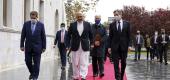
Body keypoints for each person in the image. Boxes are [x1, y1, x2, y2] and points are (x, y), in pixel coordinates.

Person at [20, 11, 46, 80]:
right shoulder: (26, 24)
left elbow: (43, 36)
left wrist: (44, 47)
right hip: (28, 47)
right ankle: (32, 73)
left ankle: (35, 77)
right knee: (27, 61)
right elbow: (23, 35)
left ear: (37, 16)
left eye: (34, 16)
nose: (32, 17)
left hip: (38, 47)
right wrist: (21, 45)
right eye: (31, 15)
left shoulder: (41, 25)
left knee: (37, 63)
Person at [68, 12, 93, 80]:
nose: (80, 18)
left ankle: (83, 76)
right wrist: (67, 45)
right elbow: (68, 35)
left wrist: (92, 44)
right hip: (75, 46)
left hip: (85, 46)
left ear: (83, 17)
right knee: (75, 62)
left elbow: (91, 35)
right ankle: (76, 76)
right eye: (78, 16)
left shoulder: (87, 24)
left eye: (81, 16)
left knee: (84, 62)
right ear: (76, 17)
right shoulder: (72, 25)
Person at [108, 10, 131, 80]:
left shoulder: (127, 24)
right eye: (114, 15)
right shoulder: (112, 25)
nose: (116, 16)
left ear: (121, 15)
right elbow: (110, 36)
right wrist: (109, 47)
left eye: (117, 14)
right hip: (115, 47)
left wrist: (129, 45)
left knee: (124, 62)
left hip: (124, 46)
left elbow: (129, 35)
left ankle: (121, 76)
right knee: (116, 63)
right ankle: (117, 78)